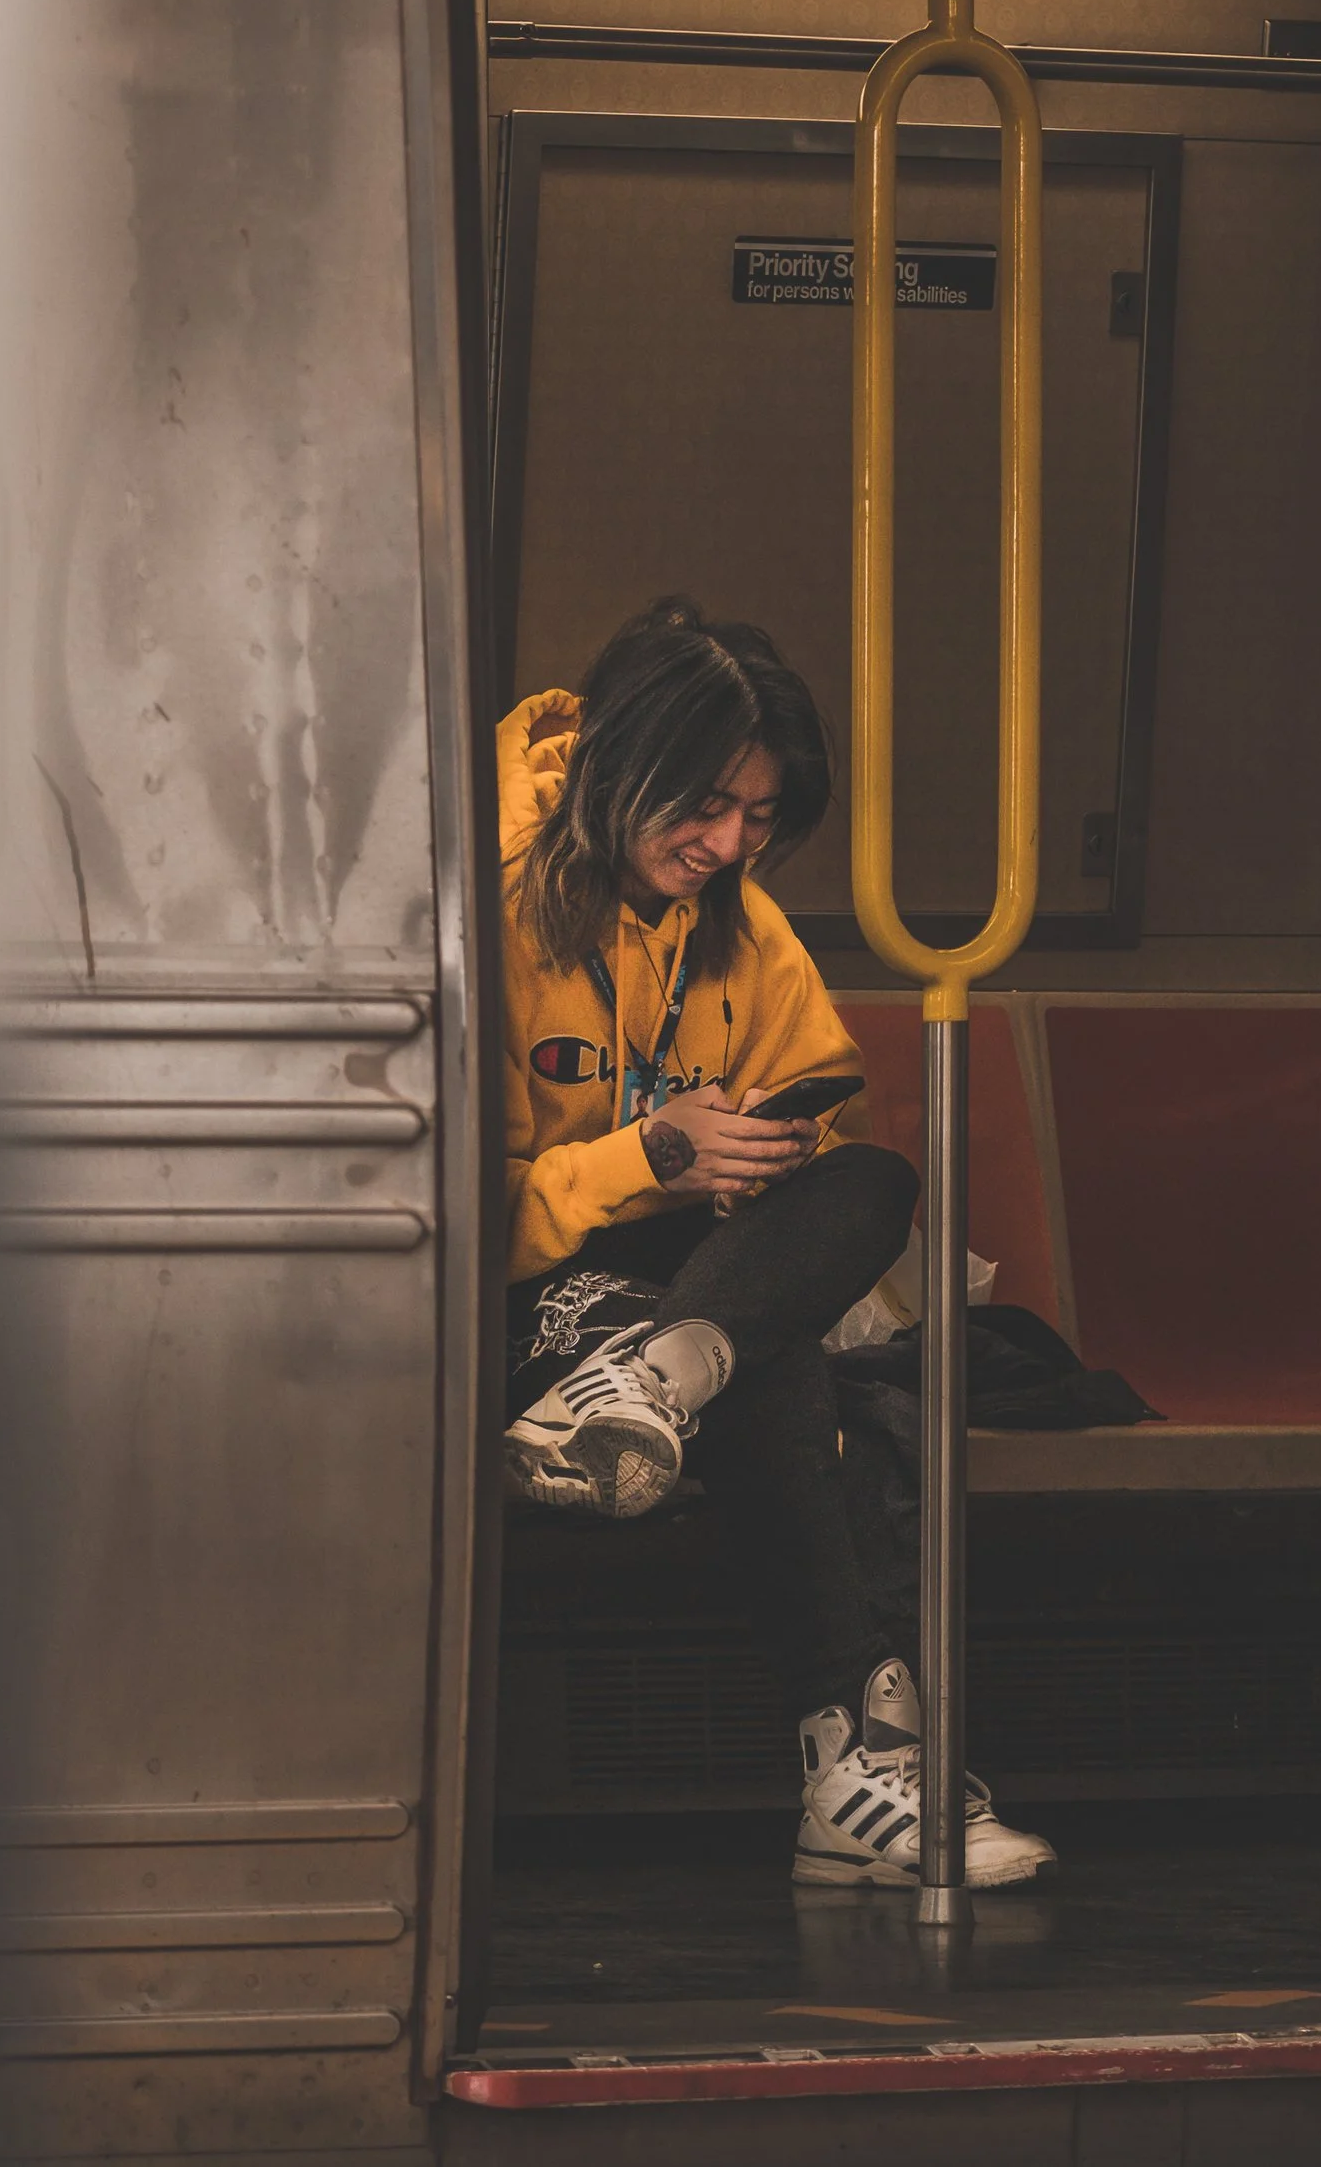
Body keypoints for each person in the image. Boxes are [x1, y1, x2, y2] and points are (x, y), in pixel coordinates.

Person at [498, 597, 1055, 1889]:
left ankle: (657, 1383)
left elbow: (820, 1101)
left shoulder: (738, 925)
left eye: (758, 818)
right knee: (779, 1366)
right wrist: (660, 1153)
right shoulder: (495, 897)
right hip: (521, 1294)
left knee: (870, 1179)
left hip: (683, 1283)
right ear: (618, 764)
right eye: (703, 807)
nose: (728, 843)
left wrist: (764, 1148)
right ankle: (857, 1765)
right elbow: (462, 1208)